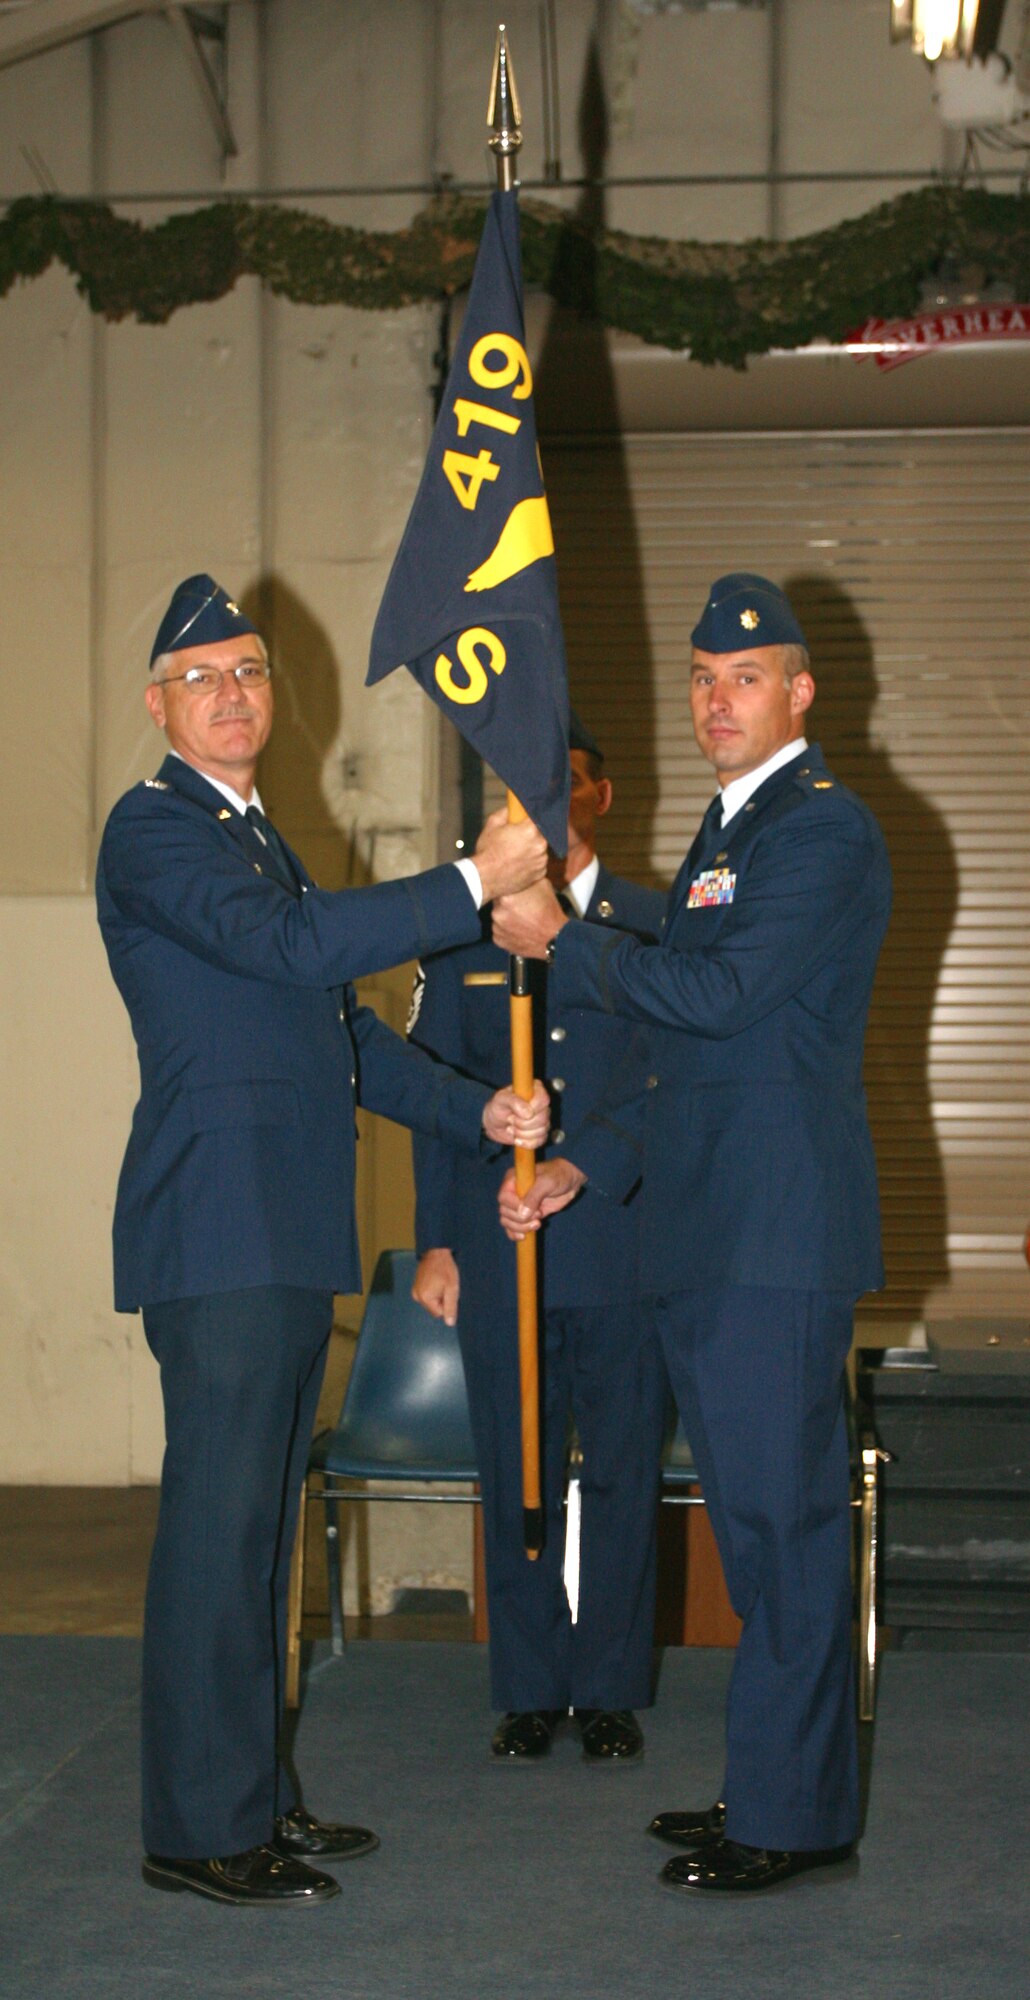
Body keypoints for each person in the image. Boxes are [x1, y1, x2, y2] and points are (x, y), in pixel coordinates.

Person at [96, 574, 551, 1909]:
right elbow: (294, 951)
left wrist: (482, 1112)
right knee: (217, 1539)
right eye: (204, 677)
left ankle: (250, 1799)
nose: (232, 693)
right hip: (219, 1230)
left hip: (282, 1233)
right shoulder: (156, 832)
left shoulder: (257, 838)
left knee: (256, 1539)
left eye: (248, 671)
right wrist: (472, 880)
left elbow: (347, 1034)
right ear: (157, 705)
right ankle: (195, 1830)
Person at [492, 573, 892, 1894]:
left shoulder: (819, 833)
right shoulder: (730, 834)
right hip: (710, 1231)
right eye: (701, 679)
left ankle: (791, 1821)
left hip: (770, 1241)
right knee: (760, 1533)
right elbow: (687, 1071)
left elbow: (717, 998)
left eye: (746, 677)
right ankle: (772, 1789)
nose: (717, 700)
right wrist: (581, 1171)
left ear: (799, 694)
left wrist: (570, 933)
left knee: (781, 1535)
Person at [408, 719, 668, 1765]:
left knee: (617, 1469)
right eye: (524, 793)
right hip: (496, 1237)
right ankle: (525, 1683)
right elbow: (432, 1095)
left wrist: (585, 1161)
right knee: (511, 1466)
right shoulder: (461, 933)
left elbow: (673, 1084)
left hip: (620, 1239)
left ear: (602, 798)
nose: (545, 809)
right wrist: (435, 1240)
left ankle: (606, 1685)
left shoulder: (651, 925)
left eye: (565, 788)